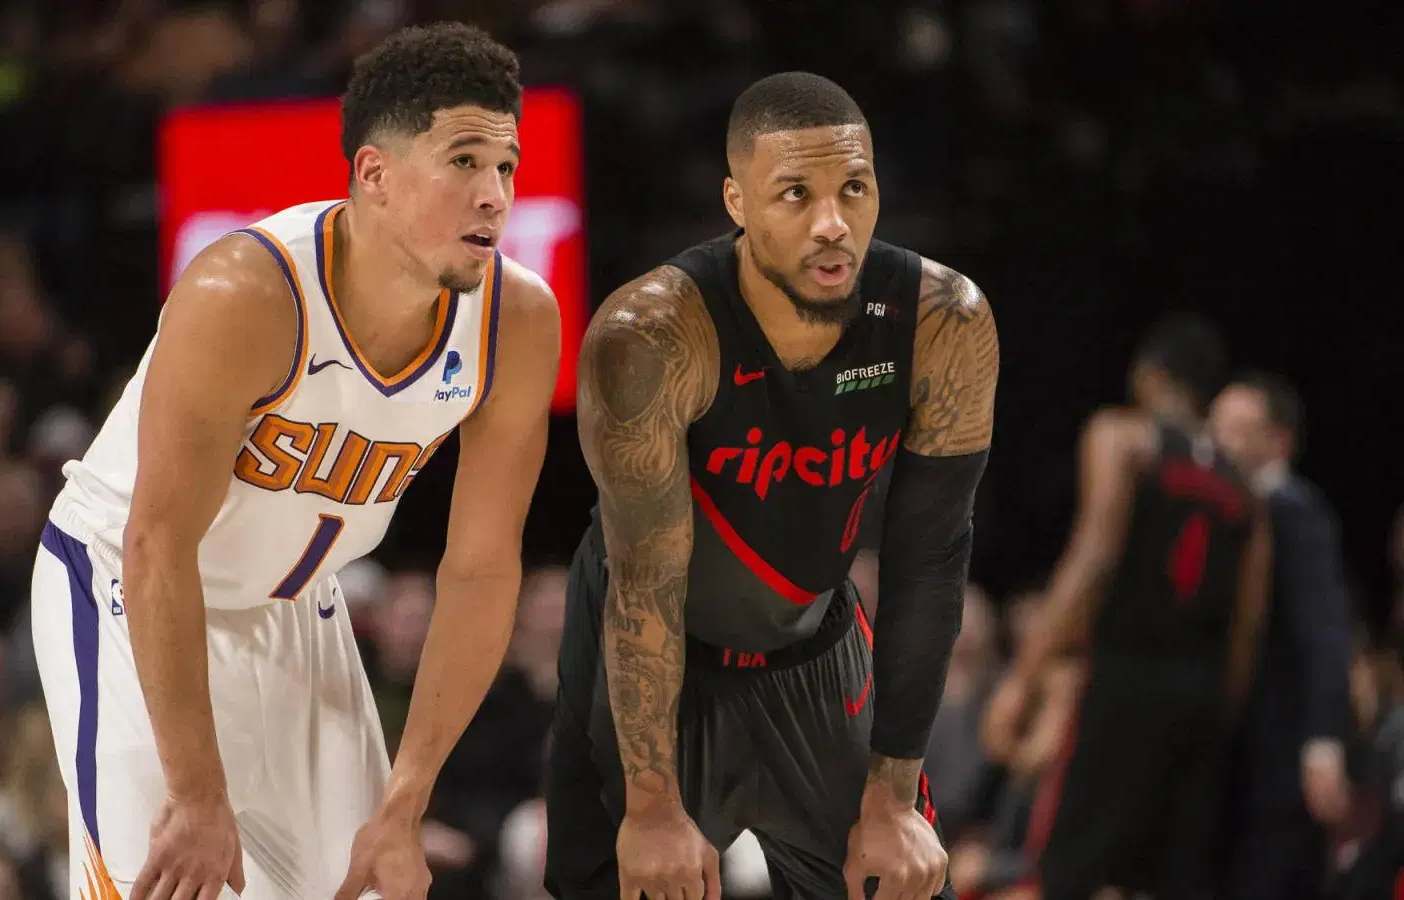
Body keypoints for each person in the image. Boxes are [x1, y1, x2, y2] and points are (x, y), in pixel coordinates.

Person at [29, 23, 560, 900]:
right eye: (465, 161)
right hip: (127, 590)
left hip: (291, 608)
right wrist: (197, 794)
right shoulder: (245, 294)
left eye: (506, 166)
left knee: (371, 881)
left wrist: (405, 800)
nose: (495, 194)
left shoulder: (518, 322)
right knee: (173, 879)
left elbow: (480, 568)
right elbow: (157, 545)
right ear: (374, 176)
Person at [545, 72, 999, 900]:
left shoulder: (943, 321)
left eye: (853, 189)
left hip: (812, 646)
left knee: (898, 878)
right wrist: (650, 810)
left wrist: (894, 796)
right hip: (656, 650)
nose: (833, 224)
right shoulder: (650, 335)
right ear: (736, 201)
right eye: (795, 194)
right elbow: (645, 585)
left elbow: (931, 558)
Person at [984, 313, 1271, 900]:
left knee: (1068, 875)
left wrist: (1024, 678)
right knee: (1169, 883)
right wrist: (1218, 714)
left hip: (1123, 681)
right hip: (1201, 697)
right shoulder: (1246, 491)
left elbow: (1093, 562)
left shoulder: (1124, 438)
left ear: (1149, 375)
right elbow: (1248, 626)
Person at [1210, 372, 1353, 900]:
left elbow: (1325, 630)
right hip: (1239, 763)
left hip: (1280, 764)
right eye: (1217, 425)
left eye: (1239, 428)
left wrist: (1322, 743)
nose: (1220, 441)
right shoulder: (1229, 512)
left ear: (1279, 441)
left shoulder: (1295, 511)